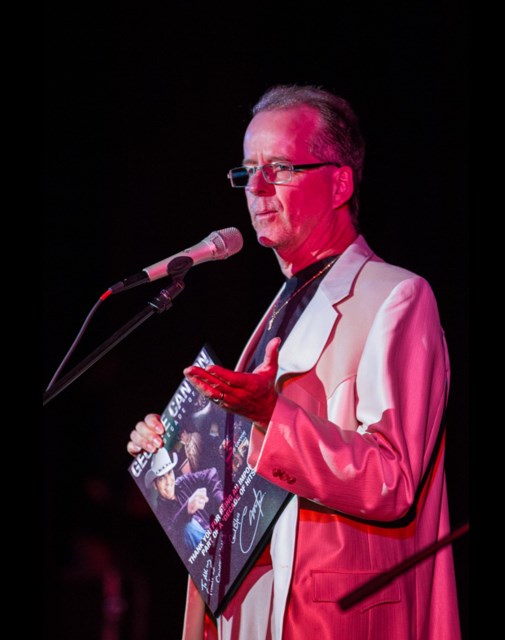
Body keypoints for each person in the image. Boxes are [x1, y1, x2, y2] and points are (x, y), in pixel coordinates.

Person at [127, 85, 460, 639]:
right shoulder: (282, 305)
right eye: (246, 171)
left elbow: (393, 479)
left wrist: (271, 416)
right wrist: (173, 458)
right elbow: (244, 487)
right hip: (248, 612)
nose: (255, 189)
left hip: (329, 615)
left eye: (277, 167)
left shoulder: (396, 297)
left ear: (339, 182)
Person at [144, 448, 224, 553]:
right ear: (155, 485)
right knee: (188, 527)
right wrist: (187, 509)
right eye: (161, 478)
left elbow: (211, 473)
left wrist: (221, 500)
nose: (168, 482)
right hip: (204, 559)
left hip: (219, 535)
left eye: (169, 473)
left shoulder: (182, 482)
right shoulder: (159, 513)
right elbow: (171, 533)